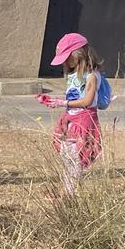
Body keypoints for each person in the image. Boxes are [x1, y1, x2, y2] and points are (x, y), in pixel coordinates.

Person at [39, 34, 103, 195]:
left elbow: (87, 101)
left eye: (67, 58)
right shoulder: (73, 74)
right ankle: (67, 189)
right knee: (65, 153)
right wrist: (56, 101)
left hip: (84, 120)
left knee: (76, 156)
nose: (65, 63)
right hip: (70, 118)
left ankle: (70, 193)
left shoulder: (92, 76)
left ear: (78, 54)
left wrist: (62, 103)